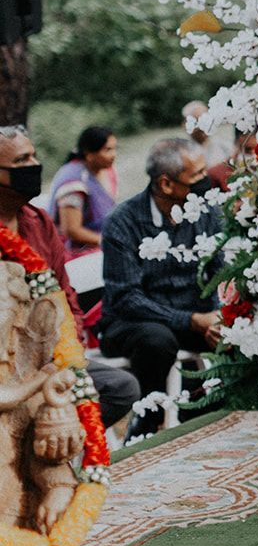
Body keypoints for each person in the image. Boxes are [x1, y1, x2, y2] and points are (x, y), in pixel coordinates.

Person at [0, 126, 137, 429]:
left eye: (33, 157)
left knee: (120, 388)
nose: (34, 166)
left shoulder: (37, 221)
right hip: (6, 366)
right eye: (22, 161)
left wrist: (66, 348)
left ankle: (55, 445)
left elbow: (65, 294)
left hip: (50, 356)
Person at [99, 138, 222, 436]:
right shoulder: (123, 222)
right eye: (196, 177)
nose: (205, 182)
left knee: (241, 332)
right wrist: (192, 320)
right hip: (134, 323)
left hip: (195, 318)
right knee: (157, 339)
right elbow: (127, 298)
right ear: (166, 184)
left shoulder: (205, 212)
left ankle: (203, 415)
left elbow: (221, 269)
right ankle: (147, 420)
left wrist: (222, 315)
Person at [47, 125, 118, 259]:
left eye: (114, 149)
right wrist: (107, 241)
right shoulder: (73, 183)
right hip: (77, 251)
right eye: (107, 150)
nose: (114, 155)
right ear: (89, 154)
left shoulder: (105, 170)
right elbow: (71, 230)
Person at [183, 100, 234, 187]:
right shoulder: (183, 151)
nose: (203, 126)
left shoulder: (224, 146)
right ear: (185, 124)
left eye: (206, 120)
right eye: (198, 121)